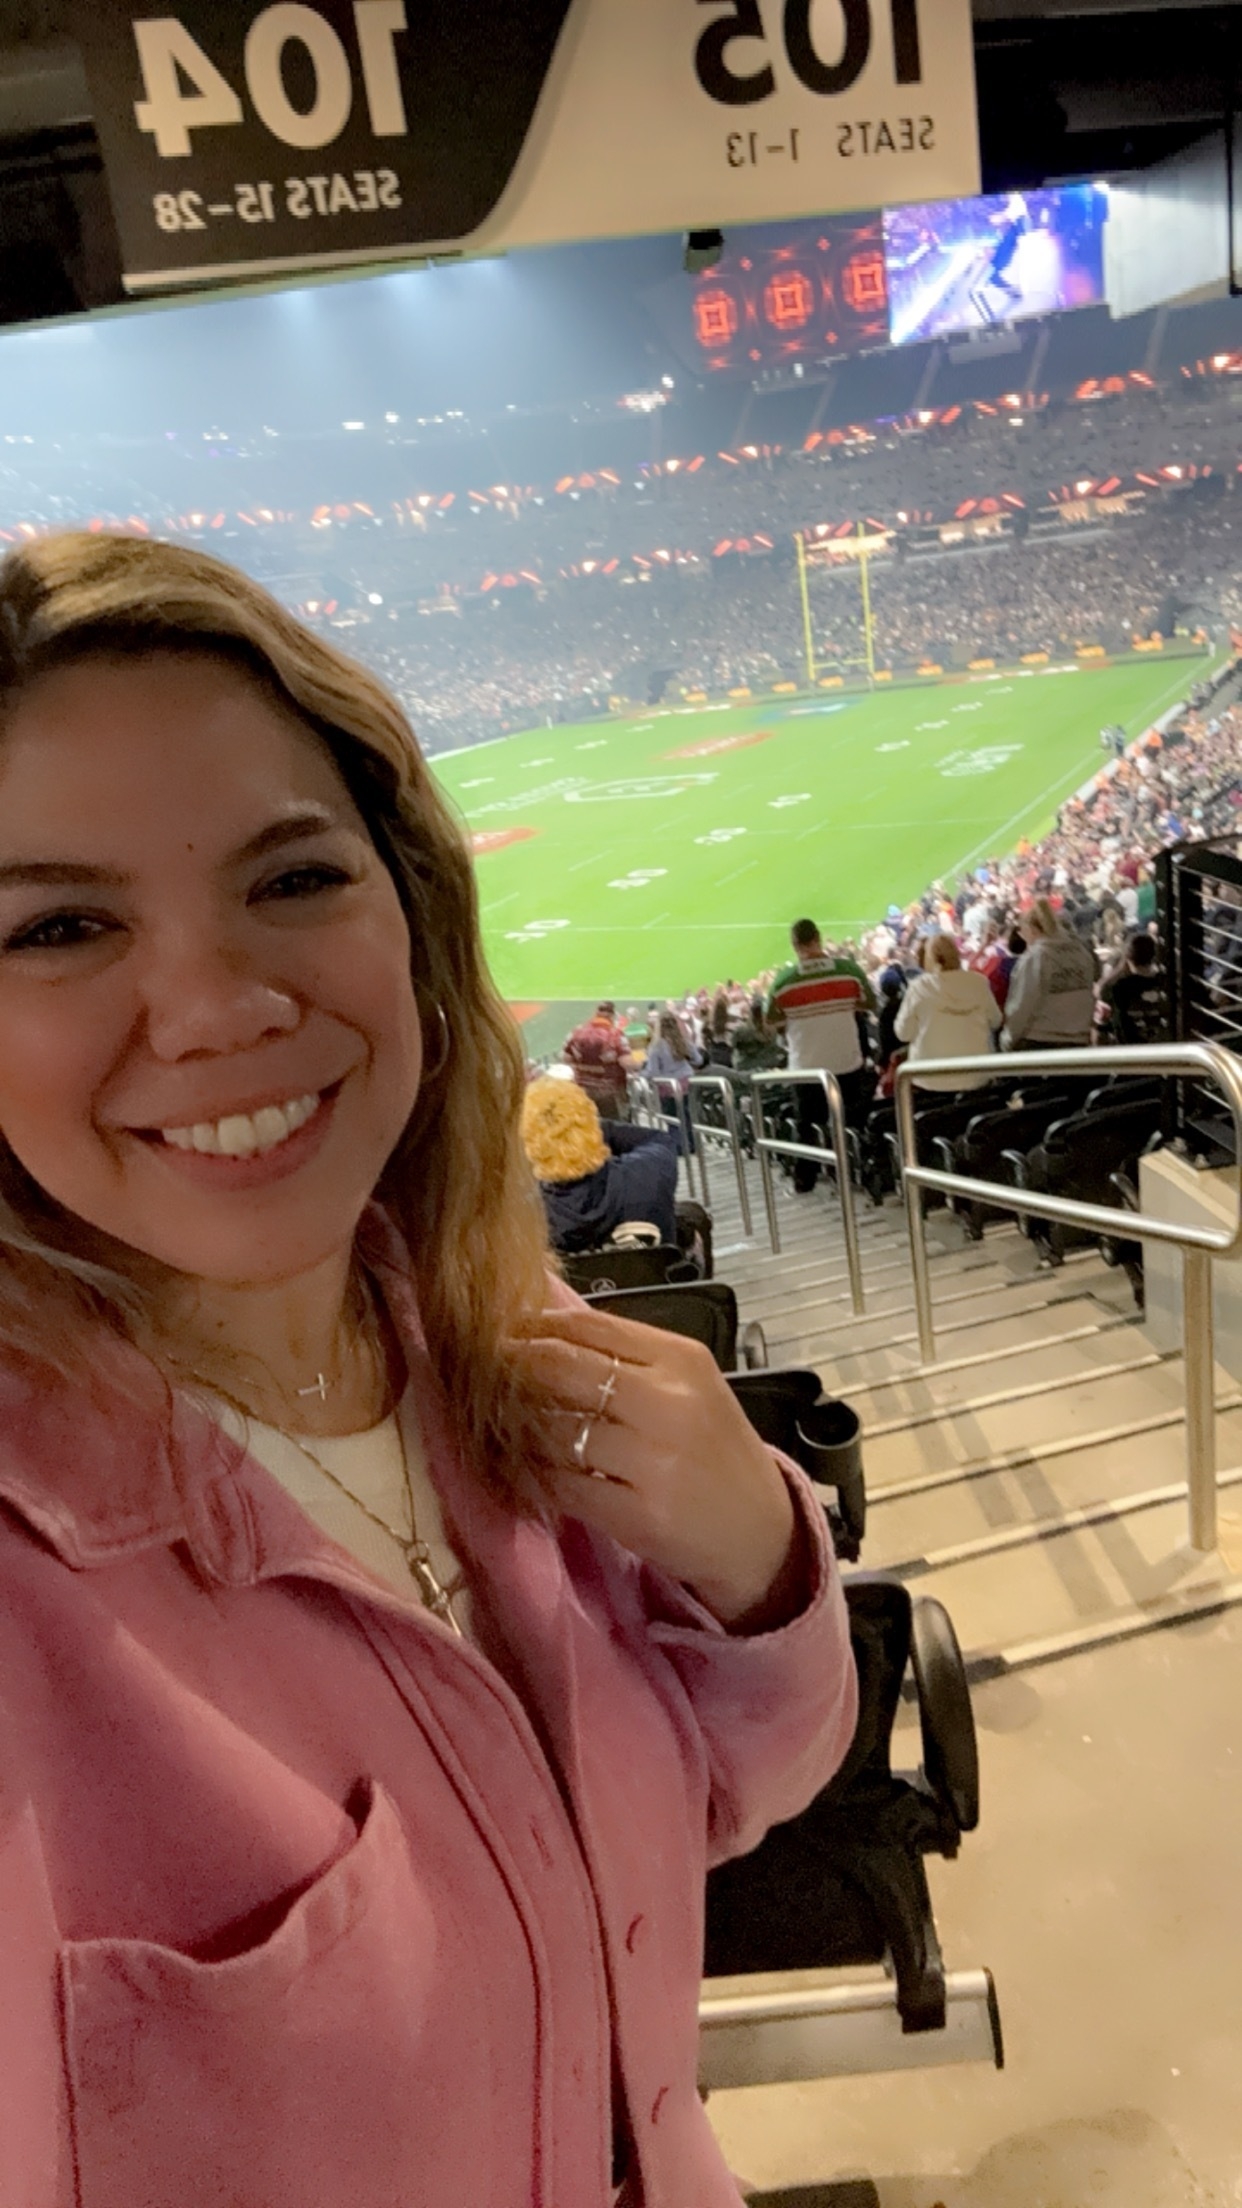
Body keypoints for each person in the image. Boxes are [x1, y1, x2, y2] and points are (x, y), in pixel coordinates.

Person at [0, 532, 856, 2207]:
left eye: (292, 880)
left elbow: (723, 1795)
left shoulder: (486, 1335)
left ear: (410, 910)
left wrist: (757, 1559)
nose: (215, 1008)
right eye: (62, 925)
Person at [766, 918, 876, 1192]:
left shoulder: (784, 981)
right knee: (850, 1120)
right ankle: (854, 1170)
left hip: (807, 1067)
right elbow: (869, 1003)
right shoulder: (849, 971)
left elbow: (771, 1021)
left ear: (795, 945)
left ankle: (806, 1179)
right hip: (847, 1062)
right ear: (819, 938)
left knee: (807, 1125)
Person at [522, 1075, 680, 1251]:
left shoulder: (527, 1214)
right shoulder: (649, 1170)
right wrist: (586, 1127)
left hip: (578, 1269)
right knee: (691, 1216)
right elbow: (659, 1139)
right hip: (658, 1267)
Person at [894, 934, 1002, 1092]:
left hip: (929, 1079)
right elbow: (996, 1020)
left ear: (929, 958)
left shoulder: (918, 988)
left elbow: (903, 1033)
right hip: (976, 1077)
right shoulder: (979, 982)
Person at [1003, 897, 1098, 1049]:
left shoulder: (1035, 957)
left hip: (1039, 1038)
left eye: (1023, 932)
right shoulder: (1082, 953)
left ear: (1033, 930)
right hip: (1079, 1037)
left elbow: (1022, 1005)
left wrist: (1008, 1039)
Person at [564, 999, 632, 1121]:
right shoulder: (615, 1034)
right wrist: (640, 1062)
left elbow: (566, 1057)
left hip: (582, 1089)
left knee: (587, 1123)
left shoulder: (576, 1032)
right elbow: (626, 1062)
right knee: (614, 1125)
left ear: (596, 1013)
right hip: (609, 1091)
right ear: (611, 1016)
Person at [1097, 933, 1165, 1044]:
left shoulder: (1118, 988)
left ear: (1128, 957)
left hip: (1129, 1050)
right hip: (1164, 1048)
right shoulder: (1164, 983)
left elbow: (1103, 1025)